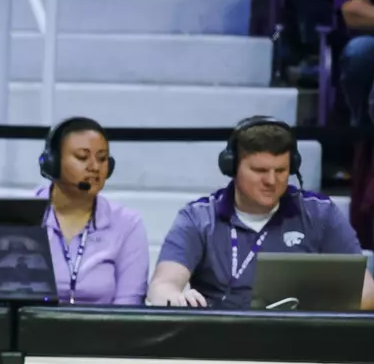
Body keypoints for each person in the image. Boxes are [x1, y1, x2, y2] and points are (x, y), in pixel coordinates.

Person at [148, 116, 374, 309]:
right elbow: (162, 286)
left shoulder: (321, 213)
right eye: (259, 170)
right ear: (232, 167)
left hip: (301, 340)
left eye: (281, 170)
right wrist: (175, 298)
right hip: (218, 341)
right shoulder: (198, 217)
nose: (271, 181)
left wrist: (313, 311)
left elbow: (367, 292)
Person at [35, 117, 149, 305]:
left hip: (104, 332)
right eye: (82, 157)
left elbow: (129, 310)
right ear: (52, 163)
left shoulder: (127, 224)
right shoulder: (21, 213)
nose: (95, 167)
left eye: (102, 158)